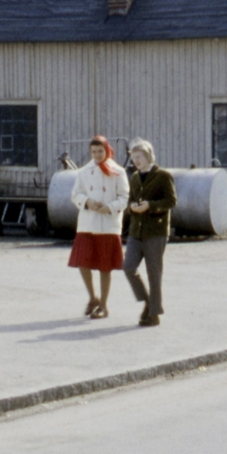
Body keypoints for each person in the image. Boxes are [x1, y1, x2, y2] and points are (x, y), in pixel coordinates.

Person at [69, 136, 130, 319]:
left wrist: (109, 207)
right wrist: (87, 202)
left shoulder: (118, 171)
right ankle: (93, 297)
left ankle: (103, 305)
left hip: (108, 225)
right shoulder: (83, 172)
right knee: (82, 262)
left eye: (100, 151)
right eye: (94, 152)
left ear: (107, 150)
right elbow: (75, 194)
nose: (97, 155)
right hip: (88, 223)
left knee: (105, 266)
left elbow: (124, 197)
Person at [124, 139, 176, 327]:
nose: (136, 161)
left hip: (156, 231)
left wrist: (150, 206)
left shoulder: (163, 176)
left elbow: (171, 201)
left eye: (139, 156)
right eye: (133, 157)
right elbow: (130, 200)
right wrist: (132, 207)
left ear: (148, 156)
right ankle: (147, 301)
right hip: (136, 231)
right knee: (128, 267)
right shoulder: (135, 177)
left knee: (154, 273)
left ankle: (154, 314)